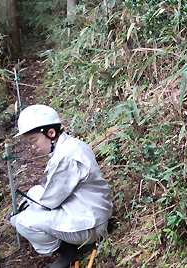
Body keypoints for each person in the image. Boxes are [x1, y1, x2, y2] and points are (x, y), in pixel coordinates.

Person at [10, 104, 113, 268]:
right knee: (34, 193)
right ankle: (66, 241)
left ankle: (69, 254)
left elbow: (50, 202)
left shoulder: (65, 157)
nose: (33, 147)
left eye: (34, 140)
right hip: (93, 211)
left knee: (21, 221)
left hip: (92, 227)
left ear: (51, 133)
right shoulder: (71, 145)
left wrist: (30, 210)